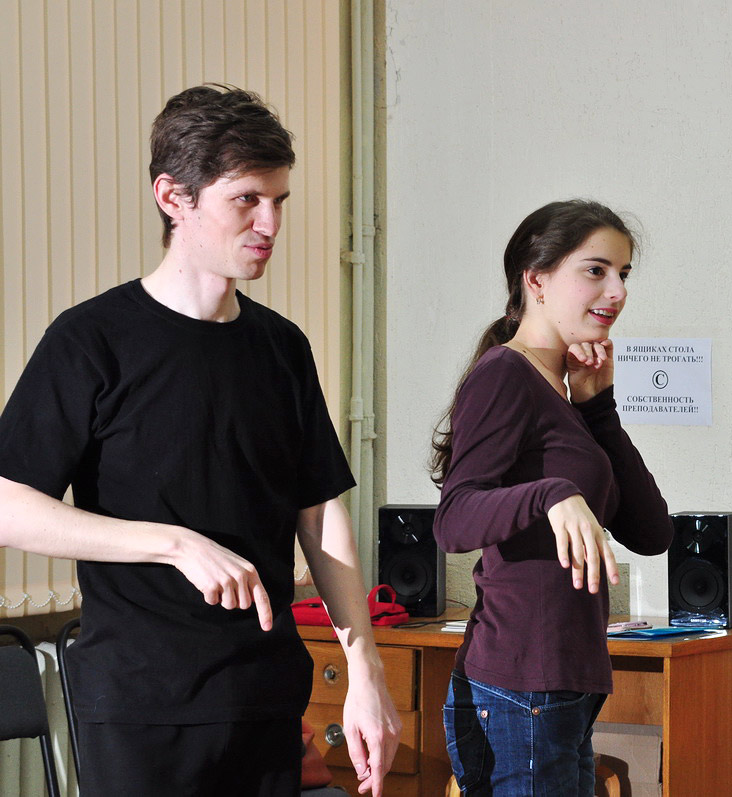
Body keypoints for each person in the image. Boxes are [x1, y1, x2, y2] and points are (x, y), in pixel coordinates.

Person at [0, 85, 400, 797]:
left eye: (279, 200)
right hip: (141, 707)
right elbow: (7, 506)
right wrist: (174, 543)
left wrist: (365, 667)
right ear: (173, 197)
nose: (270, 223)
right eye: (246, 199)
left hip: (266, 699)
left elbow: (318, 511)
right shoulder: (91, 340)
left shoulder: (282, 347)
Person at [430, 199, 673, 796]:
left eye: (623, 274)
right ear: (536, 280)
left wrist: (598, 408)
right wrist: (551, 495)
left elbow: (652, 533)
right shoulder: (503, 374)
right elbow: (454, 519)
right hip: (520, 683)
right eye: (595, 271)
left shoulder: (559, 389)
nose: (617, 291)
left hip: (561, 680)